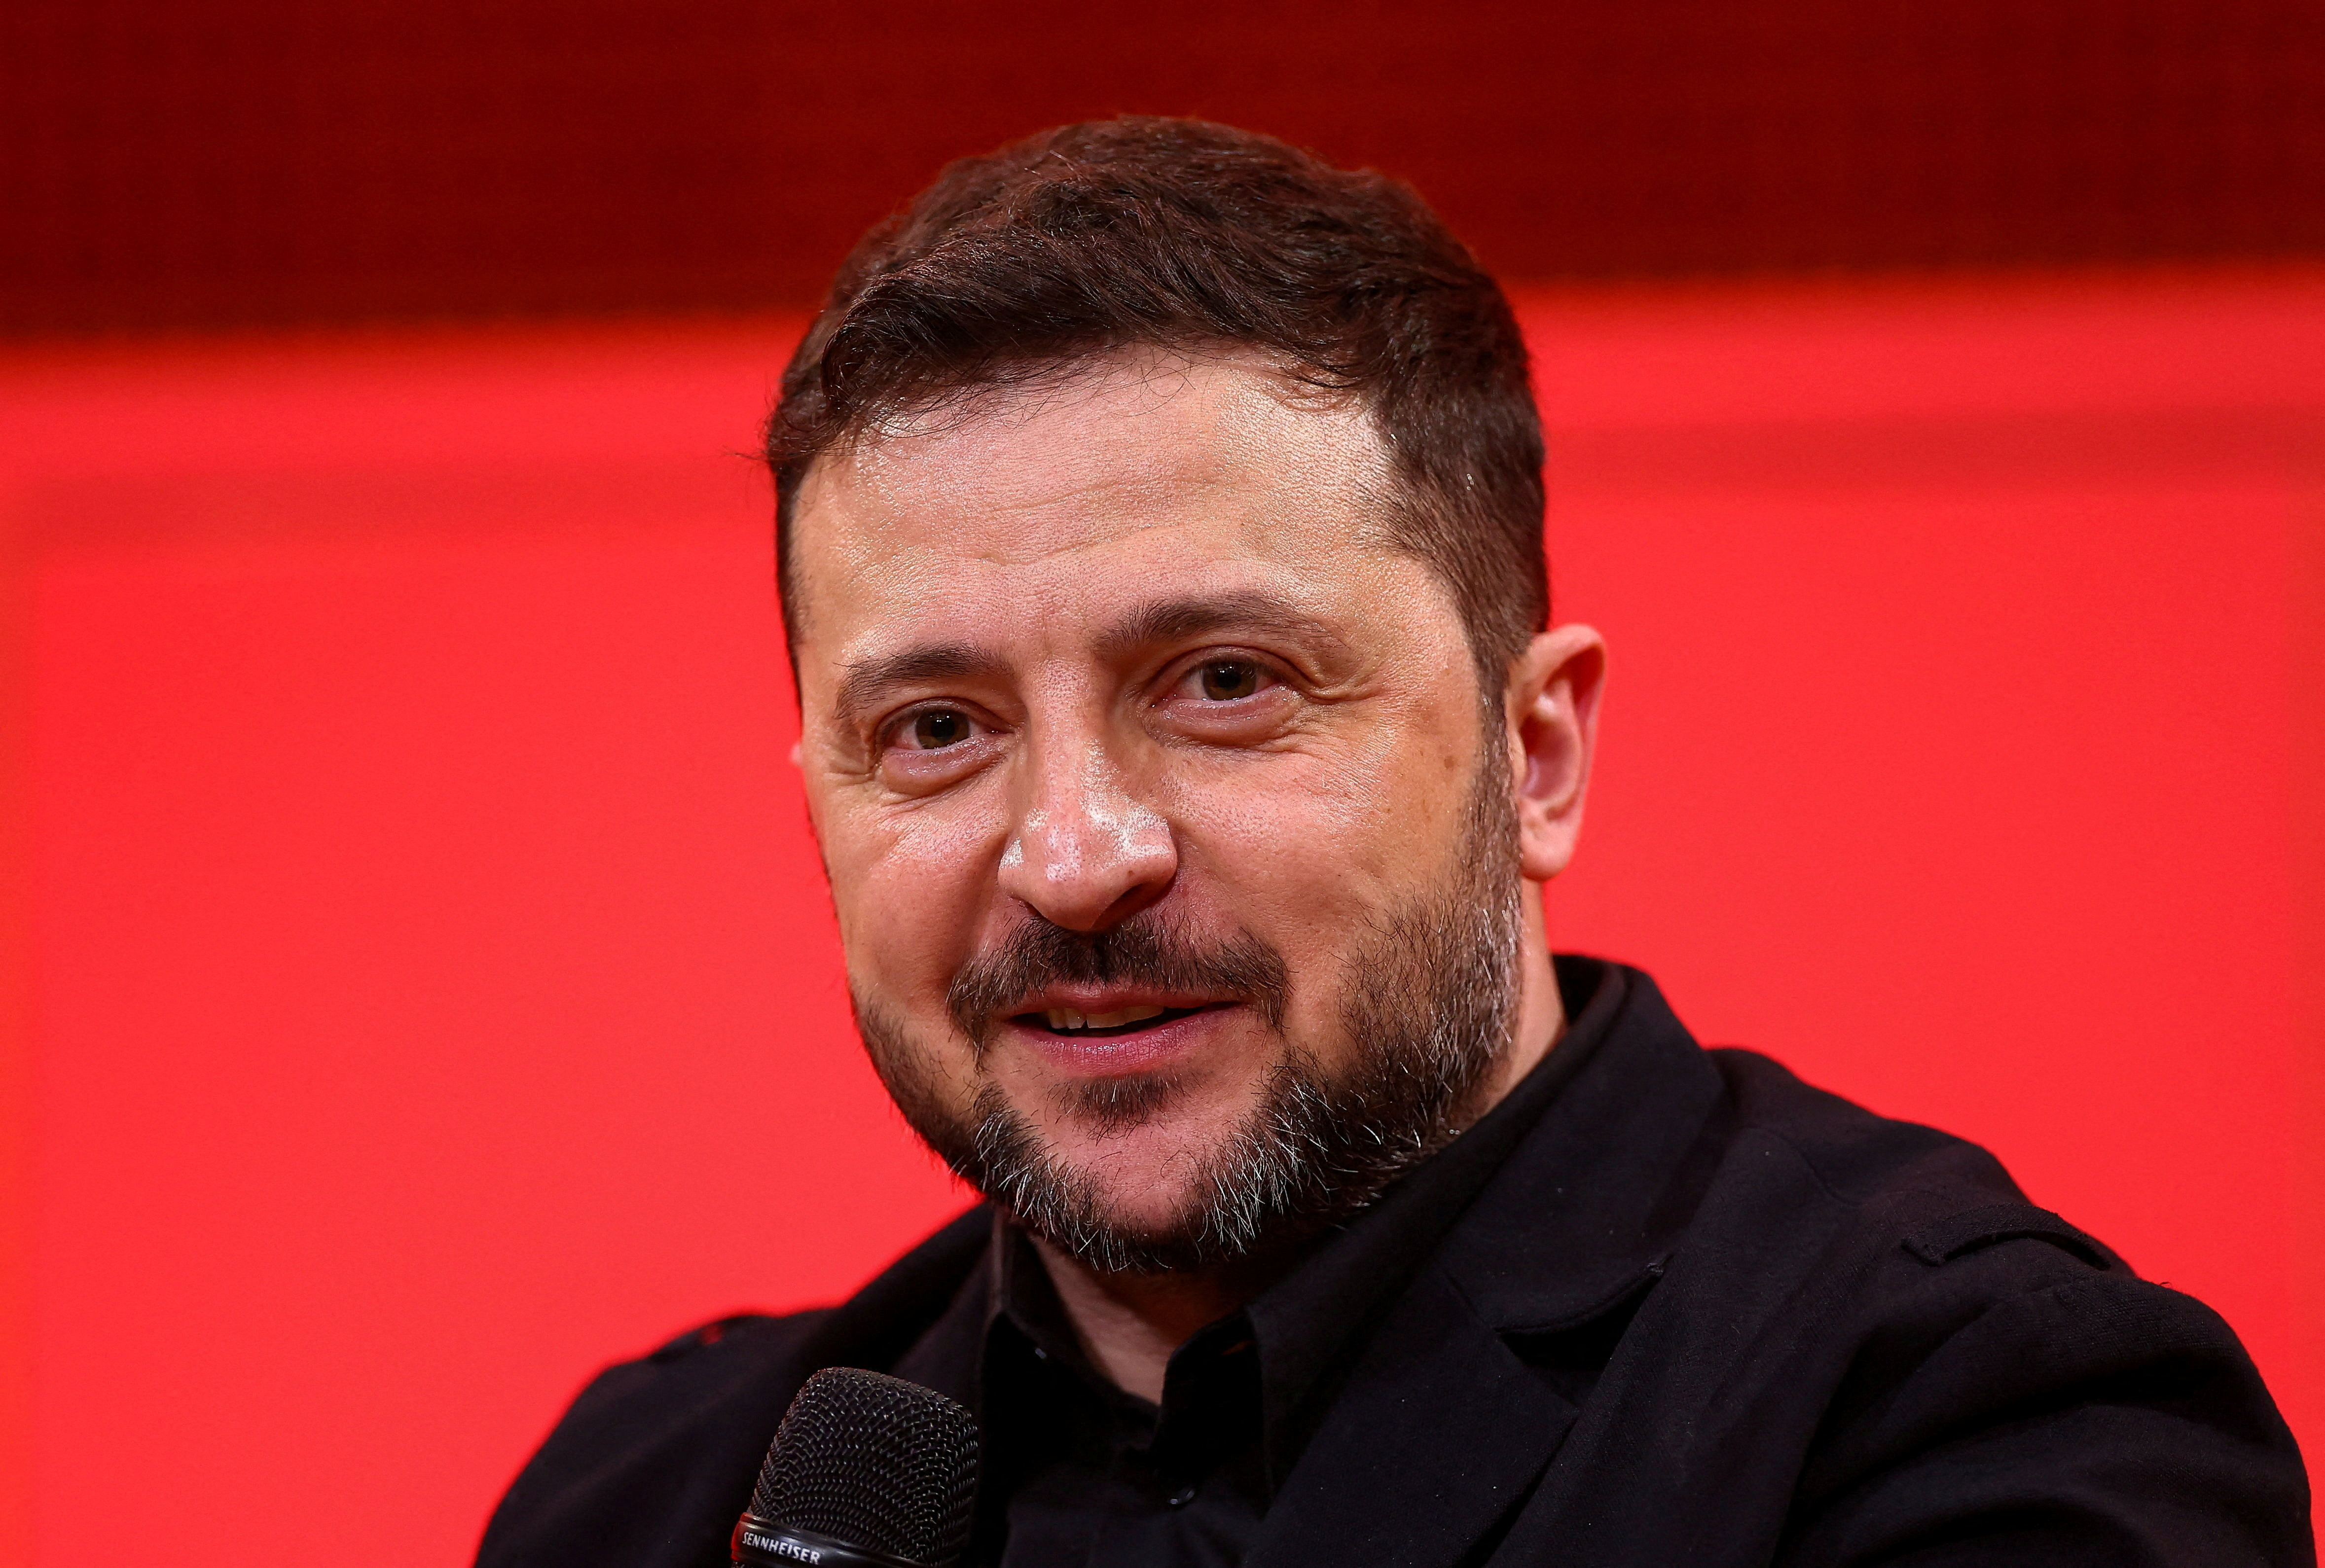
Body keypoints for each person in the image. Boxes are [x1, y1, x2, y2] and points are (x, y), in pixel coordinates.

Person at [475, 118, 2310, 1568]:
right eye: (936, 730)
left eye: (1220, 681)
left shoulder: (1970, 1426)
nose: (1074, 856)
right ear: (817, 803)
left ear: (1535, 752)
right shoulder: (652, 1503)